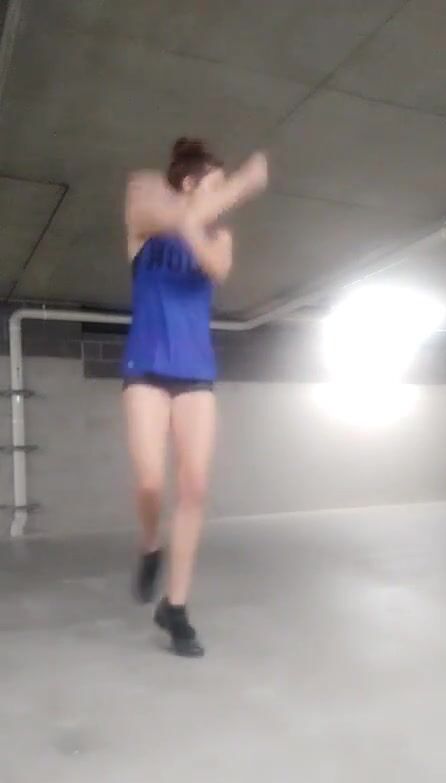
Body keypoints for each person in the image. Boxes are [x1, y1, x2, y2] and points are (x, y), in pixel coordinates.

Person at [123, 138, 268, 657]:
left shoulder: (218, 235)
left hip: (195, 374)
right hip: (145, 370)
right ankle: (150, 546)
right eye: (215, 185)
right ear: (188, 183)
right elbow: (159, 210)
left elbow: (216, 268)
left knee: (194, 488)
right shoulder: (143, 216)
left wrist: (198, 217)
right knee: (149, 481)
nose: (224, 197)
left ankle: (175, 606)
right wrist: (243, 183)